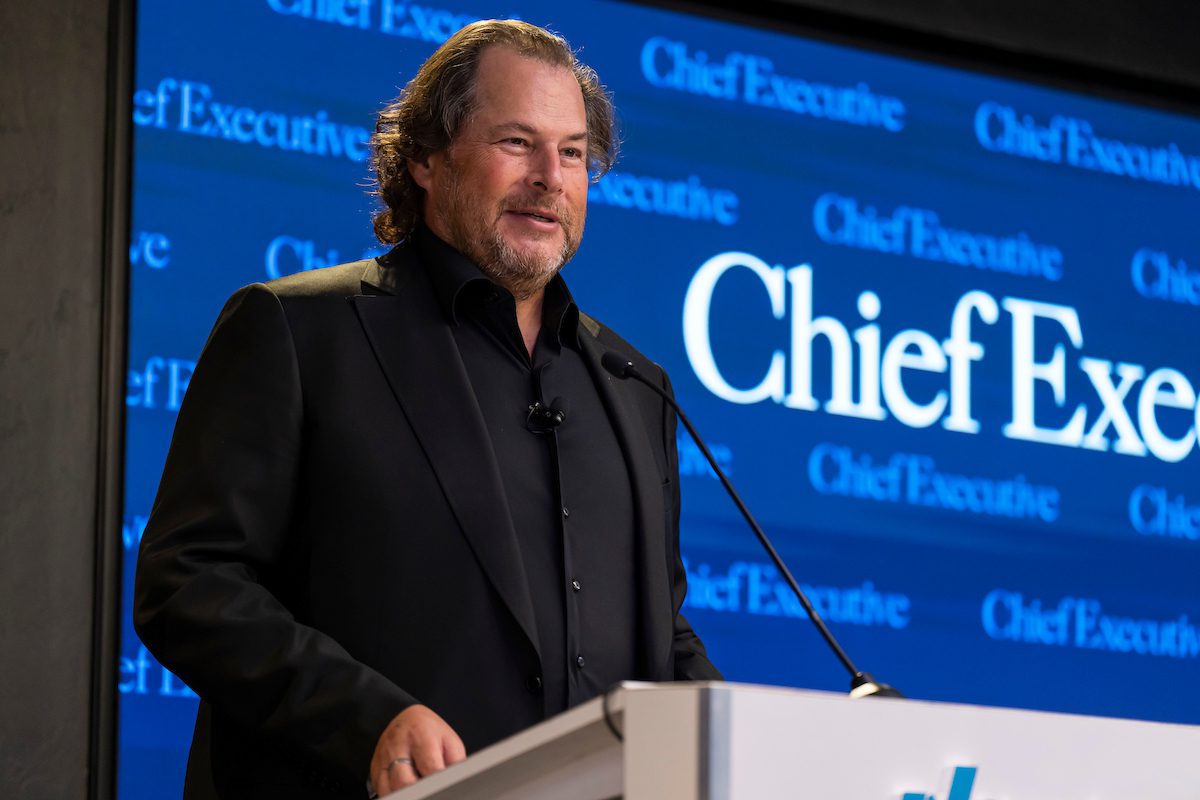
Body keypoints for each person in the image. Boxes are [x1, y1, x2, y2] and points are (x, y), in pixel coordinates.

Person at [134, 18, 721, 800]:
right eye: (517, 142)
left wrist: (735, 739)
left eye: (573, 153)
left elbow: (659, 634)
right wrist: (367, 720)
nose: (550, 177)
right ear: (424, 157)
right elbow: (189, 583)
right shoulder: (299, 332)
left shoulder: (634, 385)